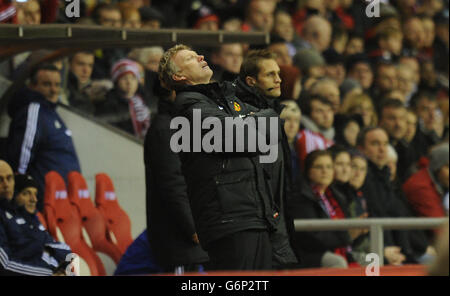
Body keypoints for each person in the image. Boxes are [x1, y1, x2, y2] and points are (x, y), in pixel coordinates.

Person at [158, 44, 280, 271]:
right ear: (179, 75)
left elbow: (267, 140)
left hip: (252, 215)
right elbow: (244, 137)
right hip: (230, 220)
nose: (201, 57)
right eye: (191, 58)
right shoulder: (189, 107)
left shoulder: (220, 102)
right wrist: (266, 117)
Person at [234, 49, 298, 269]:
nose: (279, 79)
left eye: (278, 73)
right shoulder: (245, 119)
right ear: (251, 81)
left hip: (274, 224)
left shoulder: (271, 113)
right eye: (270, 74)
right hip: (260, 228)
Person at [144, 82, 209, 273]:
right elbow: (173, 184)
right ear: (173, 91)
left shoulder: (182, 126)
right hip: (179, 240)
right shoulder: (165, 129)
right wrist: (193, 227)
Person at [7, 64, 81, 212]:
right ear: (32, 86)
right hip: (43, 203)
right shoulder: (34, 110)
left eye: (57, 85)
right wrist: (21, 189)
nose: (53, 90)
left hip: (63, 202)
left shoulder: (50, 112)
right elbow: (23, 154)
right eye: (47, 84)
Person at [288, 150, 360, 268]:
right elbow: (311, 238)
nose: (325, 171)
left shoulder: (337, 197)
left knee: (372, 259)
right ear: (309, 171)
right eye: (319, 167)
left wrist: (359, 231)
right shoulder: (301, 197)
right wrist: (347, 236)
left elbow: (349, 237)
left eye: (329, 167)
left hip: (339, 247)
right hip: (310, 253)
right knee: (338, 262)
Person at [0, 161, 72, 276]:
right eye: (0, 180)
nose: (6, 184)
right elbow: (5, 265)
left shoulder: (17, 213)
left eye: (9, 178)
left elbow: (61, 248)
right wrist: (50, 273)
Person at [95, 59, 151, 140]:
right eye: (124, 78)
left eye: (133, 78)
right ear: (116, 82)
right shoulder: (109, 104)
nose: (129, 82)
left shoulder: (146, 99)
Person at [403, 143, 449, 219]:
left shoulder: (440, 184)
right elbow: (439, 226)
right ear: (437, 168)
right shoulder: (421, 187)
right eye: (448, 166)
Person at [66, 51, 96, 115]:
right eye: (81, 64)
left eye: (90, 65)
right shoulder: (63, 88)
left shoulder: (89, 91)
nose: (86, 70)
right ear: (69, 64)